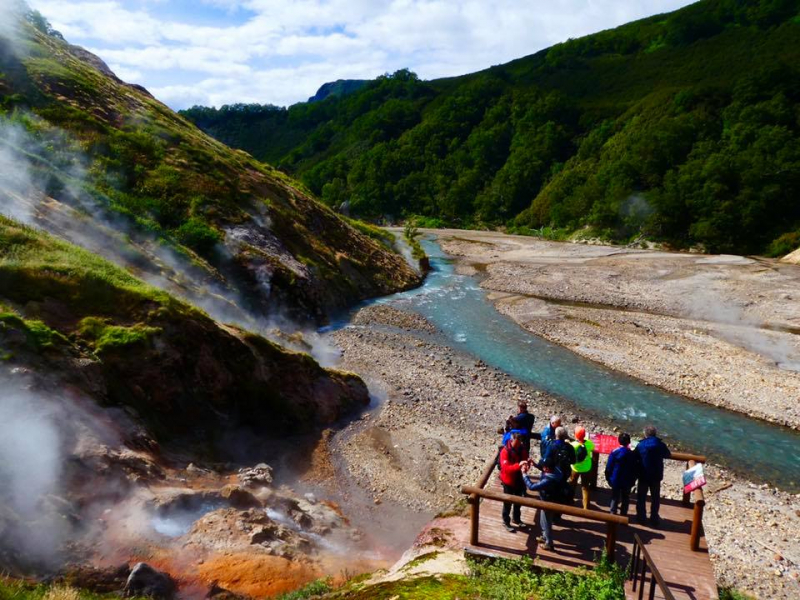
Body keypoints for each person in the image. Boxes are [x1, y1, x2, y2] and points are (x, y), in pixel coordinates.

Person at [634, 425, 671, 527]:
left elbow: (636, 456)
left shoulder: (641, 445)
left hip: (643, 474)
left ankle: (641, 517)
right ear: (655, 434)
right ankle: (654, 518)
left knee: (641, 497)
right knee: (655, 498)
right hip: (656, 475)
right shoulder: (660, 444)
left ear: (645, 434)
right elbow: (668, 454)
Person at [499, 432, 529, 531]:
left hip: (519, 479)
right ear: (511, 441)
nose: (519, 444)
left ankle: (516, 519)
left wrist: (526, 465)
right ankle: (506, 521)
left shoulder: (522, 449)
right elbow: (505, 468)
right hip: (508, 481)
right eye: (517, 442)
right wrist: (519, 465)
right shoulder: (505, 451)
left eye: (520, 442)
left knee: (518, 502)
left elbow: (525, 460)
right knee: (507, 503)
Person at [605, 433, 636, 516]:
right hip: (627, 480)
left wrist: (608, 477)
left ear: (619, 441)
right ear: (629, 442)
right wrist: (633, 480)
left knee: (615, 497)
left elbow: (609, 467)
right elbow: (634, 468)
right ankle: (623, 514)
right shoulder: (632, 454)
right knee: (626, 497)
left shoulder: (615, 452)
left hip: (616, 479)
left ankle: (612, 513)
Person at [568, 426, 594, 510]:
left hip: (575, 468)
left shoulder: (573, 445)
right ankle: (586, 507)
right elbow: (593, 448)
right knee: (585, 487)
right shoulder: (589, 443)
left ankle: (570, 500)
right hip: (586, 468)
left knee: (572, 484)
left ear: (575, 435)